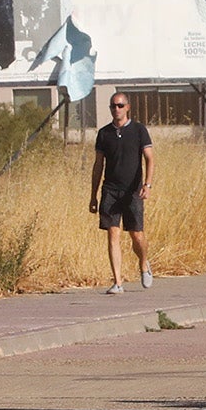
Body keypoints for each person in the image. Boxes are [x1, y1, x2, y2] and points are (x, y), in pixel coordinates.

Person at [89, 92, 153, 294]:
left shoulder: (138, 130)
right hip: (110, 190)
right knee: (112, 233)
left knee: (136, 235)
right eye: (113, 106)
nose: (116, 109)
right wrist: (93, 195)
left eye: (120, 105)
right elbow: (98, 164)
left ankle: (143, 263)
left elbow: (149, 158)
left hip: (132, 190)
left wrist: (147, 184)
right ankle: (118, 282)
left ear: (127, 107)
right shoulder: (104, 133)